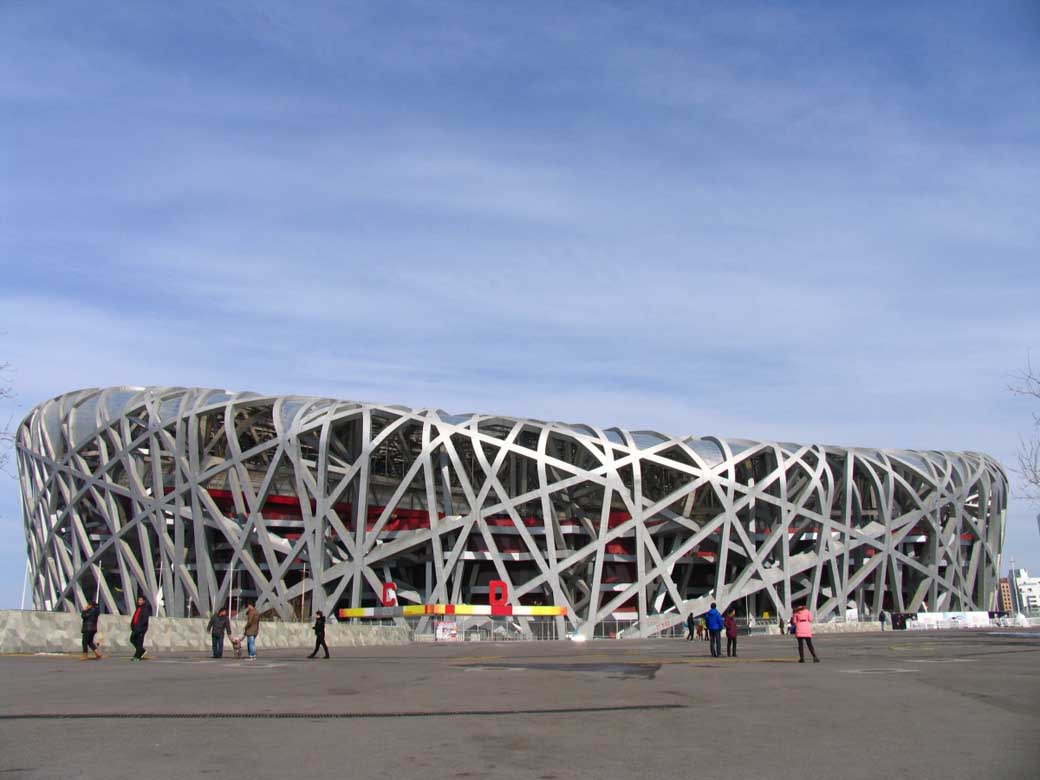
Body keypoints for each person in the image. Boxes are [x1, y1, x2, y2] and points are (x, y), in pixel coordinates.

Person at [129, 595, 151, 660]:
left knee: (139, 642)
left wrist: (139, 627)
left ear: (144, 601)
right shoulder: (139, 608)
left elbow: (144, 620)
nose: (139, 601)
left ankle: (137, 656)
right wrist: (132, 625)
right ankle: (141, 650)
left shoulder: (145, 609)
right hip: (136, 628)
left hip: (141, 628)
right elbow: (135, 617)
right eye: (138, 600)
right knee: (132, 639)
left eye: (141, 600)